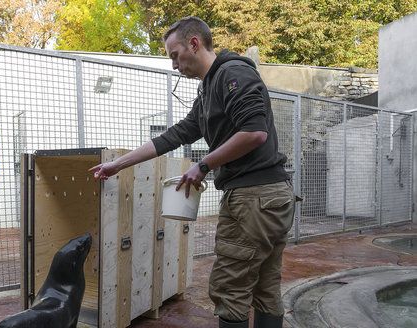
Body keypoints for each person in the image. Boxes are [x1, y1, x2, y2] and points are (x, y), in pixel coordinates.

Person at [89, 16, 295, 328]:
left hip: (255, 199)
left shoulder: (232, 74)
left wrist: (203, 164)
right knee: (265, 287)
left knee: (230, 288)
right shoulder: (209, 89)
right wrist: (118, 164)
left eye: (175, 55)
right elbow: (175, 135)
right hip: (267, 197)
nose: (174, 65)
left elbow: (254, 133)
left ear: (194, 44)